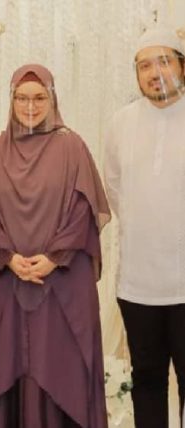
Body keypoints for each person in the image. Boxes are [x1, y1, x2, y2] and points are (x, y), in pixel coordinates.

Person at [0, 64, 110, 427]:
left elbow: (83, 210)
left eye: (38, 98)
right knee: (6, 362)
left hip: (60, 281)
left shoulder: (72, 148)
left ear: (52, 99)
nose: (30, 106)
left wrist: (54, 257)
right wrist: (8, 257)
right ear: (11, 100)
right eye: (21, 98)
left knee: (62, 363)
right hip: (6, 280)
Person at [104, 28, 185, 428]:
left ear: (182, 66)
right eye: (145, 65)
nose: (155, 72)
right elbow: (114, 189)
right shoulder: (121, 123)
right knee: (147, 381)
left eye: (164, 61)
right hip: (137, 284)